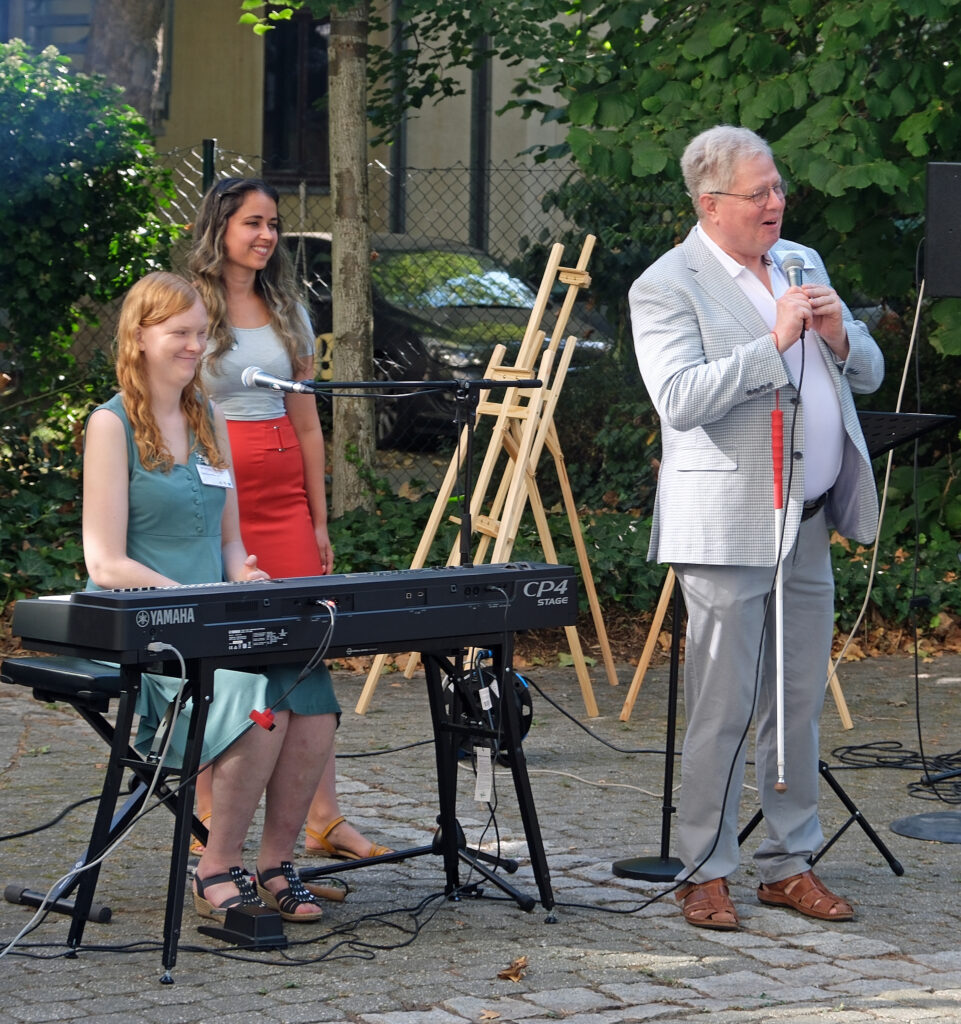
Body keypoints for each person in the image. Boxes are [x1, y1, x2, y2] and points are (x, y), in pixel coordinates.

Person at [629, 126, 884, 930]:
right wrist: (773, 343)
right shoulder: (665, 285)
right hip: (726, 527)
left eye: (777, 188)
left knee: (797, 700)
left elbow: (867, 371)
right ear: (710, 204)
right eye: (758, 193)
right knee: (723, 704)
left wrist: (839, 334)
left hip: (806, 520)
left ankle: (787, 862)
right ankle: (703, 868)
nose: (776, 203)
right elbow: (679, 399)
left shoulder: (801, 260)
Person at [82, 271, 337, 921]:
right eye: (180, 333)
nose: (196, 346)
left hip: (211, 622)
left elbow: (230, 544)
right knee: (259, 708)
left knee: (312, 698)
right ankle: (216, 865)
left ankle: (277, 863)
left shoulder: (211, 420)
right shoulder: (109, 426)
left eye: (203, 334)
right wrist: (189, 597)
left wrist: (243, 576)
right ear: (139, 338)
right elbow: (106, 563)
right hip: (149, 633)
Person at [187, 176, 391, 862]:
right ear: (219, 227)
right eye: (253, 222)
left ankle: (322, 817)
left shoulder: (287, 310)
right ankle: (210, 812)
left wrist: (319, 517)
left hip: (282, 489)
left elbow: (308, 423)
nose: (267, 236)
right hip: (217, 481)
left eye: (272, 223)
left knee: (309, 650)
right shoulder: (191, 307)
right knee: (229, 652)